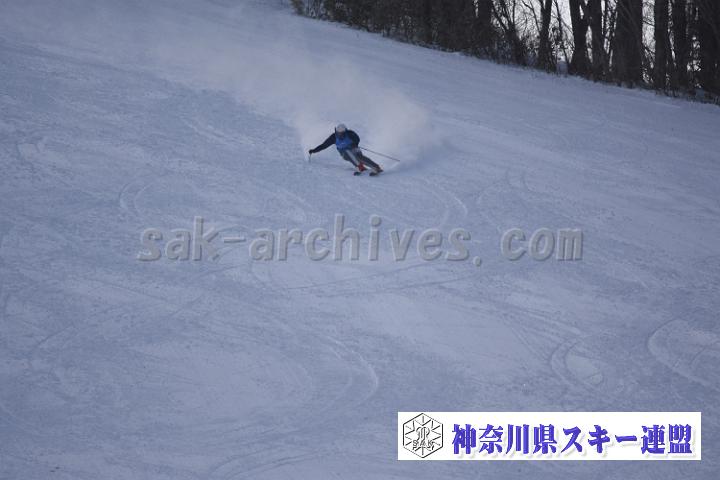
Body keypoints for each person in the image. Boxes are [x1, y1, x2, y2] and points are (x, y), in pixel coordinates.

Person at [309, 124, 383, 176]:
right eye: (338, 133)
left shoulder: (350, 133)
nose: (339, 135)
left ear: (345, 131)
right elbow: (324, 145)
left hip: (353, 147)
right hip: (343, 152)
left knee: (359, 157)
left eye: (341, 133)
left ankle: (376, 167)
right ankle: (360, 167)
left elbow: (357, 138)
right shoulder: (333, 137)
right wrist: (314, 150)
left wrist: (355, 143)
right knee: (347, 153)